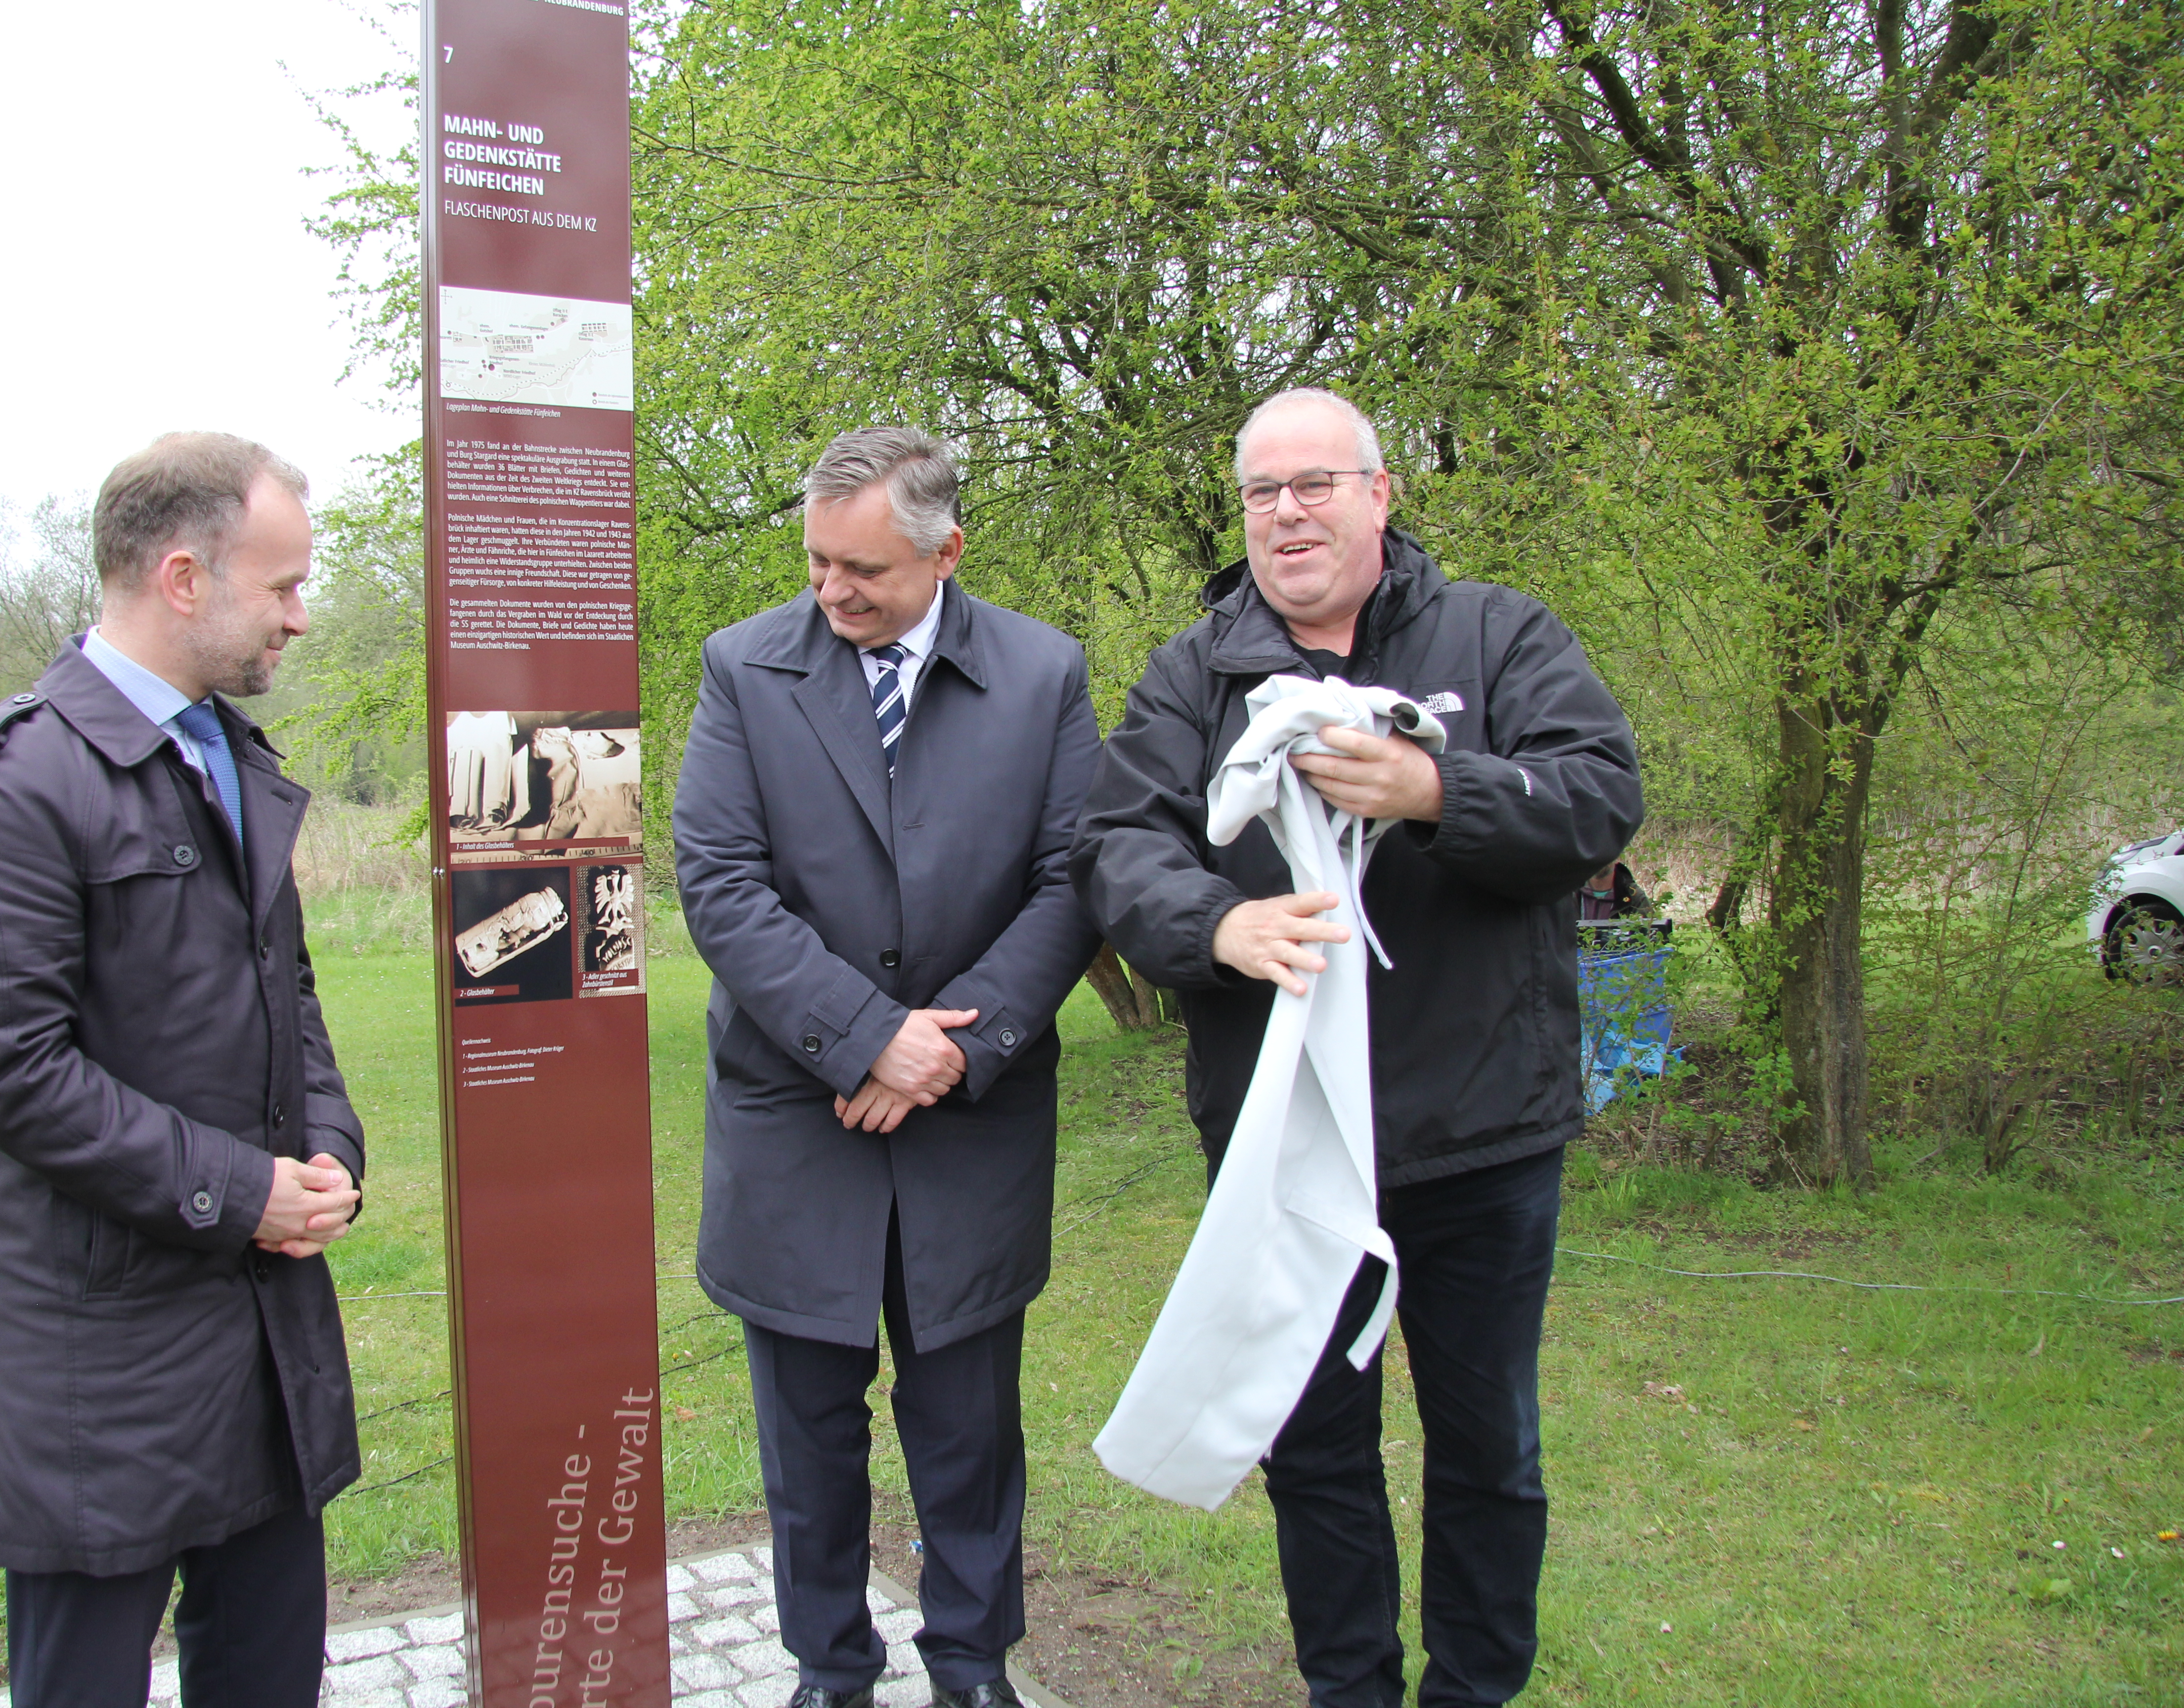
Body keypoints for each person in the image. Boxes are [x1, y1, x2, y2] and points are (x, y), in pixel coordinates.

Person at [1070, 388, 1642, 1708]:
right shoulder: (1195, 675)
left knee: (1487, 1445)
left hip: (1480, 1136)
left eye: (1315, 484)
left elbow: (1601, 789)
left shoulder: (1495, 635)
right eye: (1264, 492)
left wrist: (1444, 792)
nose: (1287, 513)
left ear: (1380, 494)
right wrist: (1218, 925)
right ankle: (1352, 1691)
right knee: (1316, 1451)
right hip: (1287, 1150)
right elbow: (1115, 847)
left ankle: (1475, 1690)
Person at [0, 432, 367, 1708]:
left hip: (262, 1333)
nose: (302, 616)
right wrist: (240, 1187)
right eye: (280, 587)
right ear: (179, 578)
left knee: (270, 1677)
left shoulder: (229, 757)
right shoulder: (16, 782)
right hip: (98, 1350)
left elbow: (293, 998)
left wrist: (329, 1150)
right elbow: (11, 1069)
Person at [674, 427, 1102, 1708]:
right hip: (799, 1119)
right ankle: (829, 1669)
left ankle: (973, 1665)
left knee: (970, 1423)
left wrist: (940, 1056)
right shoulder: (744, 670)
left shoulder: (1043, 674)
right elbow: (722, 882)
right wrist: (868, 1037)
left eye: (863, 569)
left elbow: (1072, 881)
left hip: (974, 1114)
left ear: (945, 551)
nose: (833, 591)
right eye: (816, 561)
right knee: (808, 1432)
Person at [1576, 858, 1651, 922]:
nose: (1598, 858)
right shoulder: (1568, 893)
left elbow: (1649, 935)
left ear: (1618, 856)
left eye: (1605, 852)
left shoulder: (1633, 896)